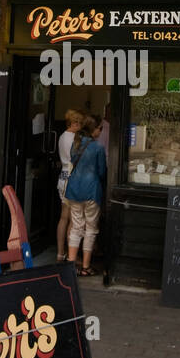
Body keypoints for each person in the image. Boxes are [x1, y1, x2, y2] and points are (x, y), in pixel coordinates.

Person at [65, 115, 107, 276]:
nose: (101, 131)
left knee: (76, 227)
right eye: (100, 128)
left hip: (74, 189)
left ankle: (70, 264)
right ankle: (86, 267)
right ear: (93, 130)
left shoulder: (75, 144)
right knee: (90, 228)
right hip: (91, 191)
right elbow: (102, 172)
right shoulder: (98, 148)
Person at [56, 109, 83, 262]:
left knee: (63, 218)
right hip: (73, 177)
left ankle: (60, 253)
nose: (80, 126)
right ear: (73, 123)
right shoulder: (75, 138)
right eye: (78, 123)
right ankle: (71, 256)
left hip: (63, 176)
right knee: (73, 220)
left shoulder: (61, 137)